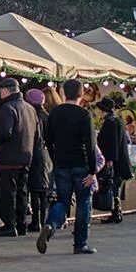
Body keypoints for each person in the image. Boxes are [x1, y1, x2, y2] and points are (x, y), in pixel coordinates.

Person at [38, 79, 97, 255]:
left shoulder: (55, 114)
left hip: (62, 164)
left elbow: (48, 139)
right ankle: (80, 243)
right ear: (81, 94)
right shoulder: (84, 115)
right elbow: (90, 145)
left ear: (64, 93)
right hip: (81, 164)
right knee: (83, 203)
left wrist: (56, 160)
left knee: (62, 201)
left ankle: (51, 224)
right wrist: (92, 170)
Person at [0, 78, 36, 237]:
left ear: (5, 91)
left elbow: (4, 133)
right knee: (22, 192)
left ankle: (9, 225)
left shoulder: (7, 108)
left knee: (8, 192)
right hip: (26, 156)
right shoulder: (30, 108)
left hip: (10, 157)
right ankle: (21, 224)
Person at [96, 98, 132, 224]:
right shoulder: (118, 120)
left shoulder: (110, 123)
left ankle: (116, 212)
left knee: (113, 186)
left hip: (114, 161)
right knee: (115, 186)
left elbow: (111, 143)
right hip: (120, 160)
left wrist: (109, 159)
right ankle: (116, 212)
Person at [25, 88, 51, 233]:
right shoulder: (47, 116)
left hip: (35, 155)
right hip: (47, 156)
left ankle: (37, 222)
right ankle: (41, 219)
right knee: (43, 190)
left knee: (35, 190)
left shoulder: (33, 116)